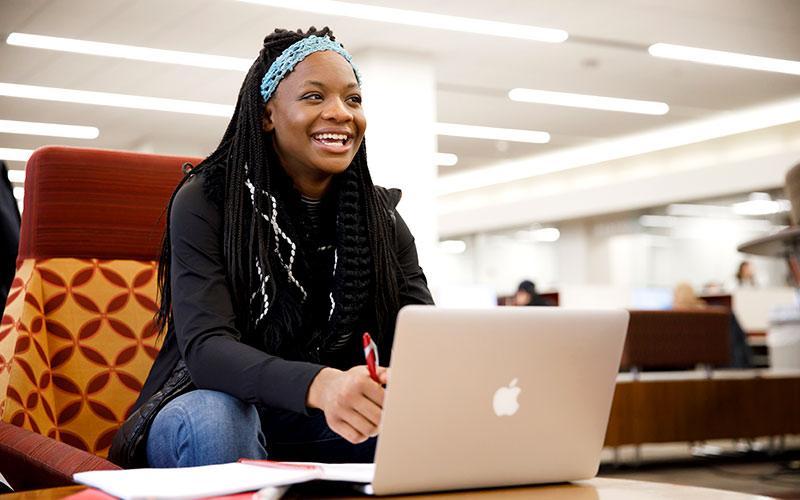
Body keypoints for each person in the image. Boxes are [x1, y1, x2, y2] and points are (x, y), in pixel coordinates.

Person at [109, 27, 434, 469]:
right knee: (218, 417)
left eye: (353, 99)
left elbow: (423, 337)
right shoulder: (208, 200)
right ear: (267, 115)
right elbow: (206, 350)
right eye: (314, 97)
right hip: (210, 406)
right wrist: (322, 384)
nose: (340, 113)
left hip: (318, 422)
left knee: (423, 421)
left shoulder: (380, 216)